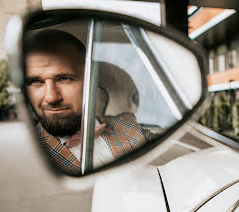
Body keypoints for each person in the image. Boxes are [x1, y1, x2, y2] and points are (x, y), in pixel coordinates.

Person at [24, 29, 152, 175]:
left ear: (90, 81)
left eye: (64, 78)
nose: (51, 97)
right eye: (36, 81)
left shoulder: (128, 125)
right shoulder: (26, 153)